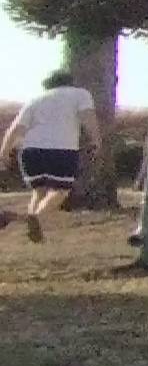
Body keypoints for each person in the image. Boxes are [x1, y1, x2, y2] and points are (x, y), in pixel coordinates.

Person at [2, 67, 104, 244]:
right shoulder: (80, 94)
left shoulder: (36, 99)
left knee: (39, 191)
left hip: (30, 151)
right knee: (61, 190)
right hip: (61, 149)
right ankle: (34, 218)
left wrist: (4, 151)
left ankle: (34, 234)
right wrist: (96, 140)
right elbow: (88, 117)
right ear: (70, 82)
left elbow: (16, 127)